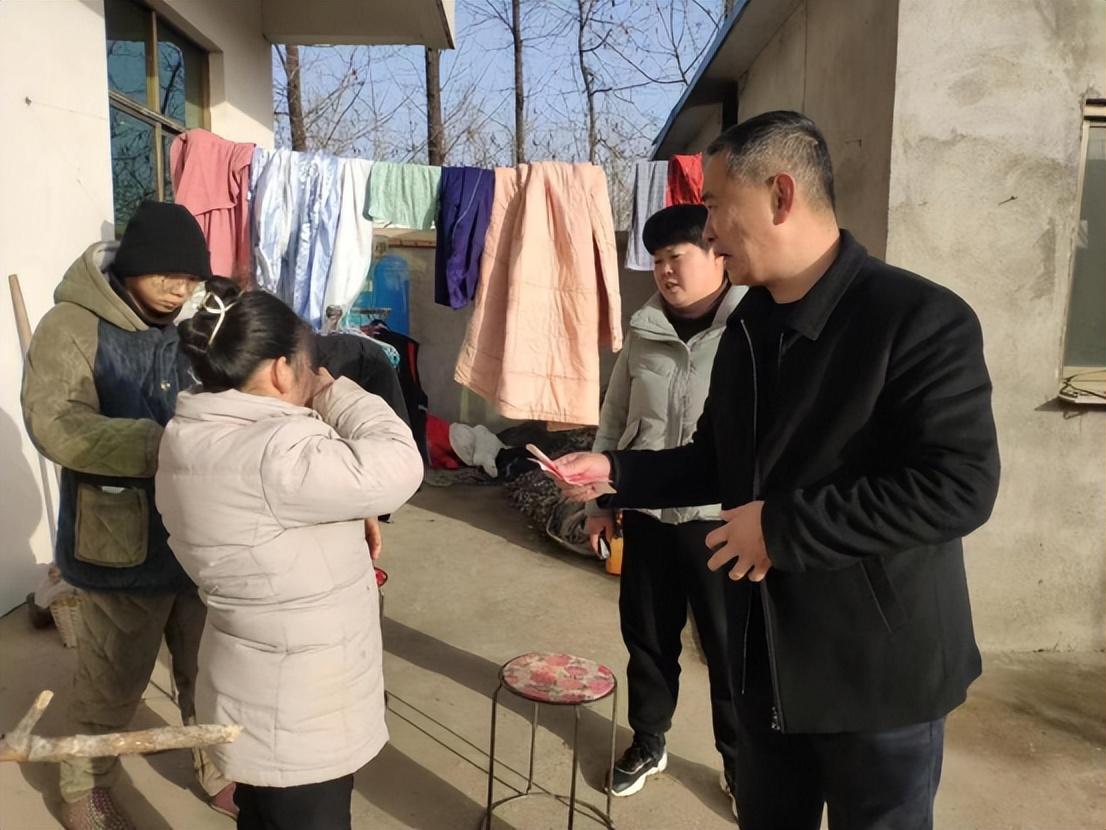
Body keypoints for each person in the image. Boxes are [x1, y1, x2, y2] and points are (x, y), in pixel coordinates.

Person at [555, 110, 1000, 829]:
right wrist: (614, 470)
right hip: (764, 660)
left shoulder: (918, 319)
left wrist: (782, 528)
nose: (708, 232)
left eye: (716, 207)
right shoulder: (749, 329)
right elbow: (715, 460)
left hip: (878, 677)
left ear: (781, 196)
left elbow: (959, 488)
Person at [155, 278, 424, 830]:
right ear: (281, 370)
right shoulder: (277, 453)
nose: (313, 373)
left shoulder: (191, 434)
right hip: (300, 717)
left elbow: (273, 511)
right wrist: (333, 392)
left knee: (261, 814)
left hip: (251, 691)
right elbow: (400, 463)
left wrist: (348, 508)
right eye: (308, 364)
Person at [21, 200, 235, 830]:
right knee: (112, 682)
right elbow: (54, 423)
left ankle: (218, 769)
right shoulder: (72, 324)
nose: (180, 290)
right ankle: (82, 788)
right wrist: (162, 444)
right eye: (168, 275)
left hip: (196, 535)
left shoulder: (197, 324)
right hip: (117, 544)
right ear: (133, 263)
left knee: (210, 670)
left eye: (191, 279)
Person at [587, 204, 745, 799]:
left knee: (730, 650)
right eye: (655, 261)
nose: (665, 272)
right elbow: (614, 416)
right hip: (649, 511)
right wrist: (600, 501)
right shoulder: (644, 329)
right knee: (649, 640)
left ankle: (740, 762)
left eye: (675, 257)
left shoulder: (750, 328)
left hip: (720, 520)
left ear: (715, 254)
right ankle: (649, 741)